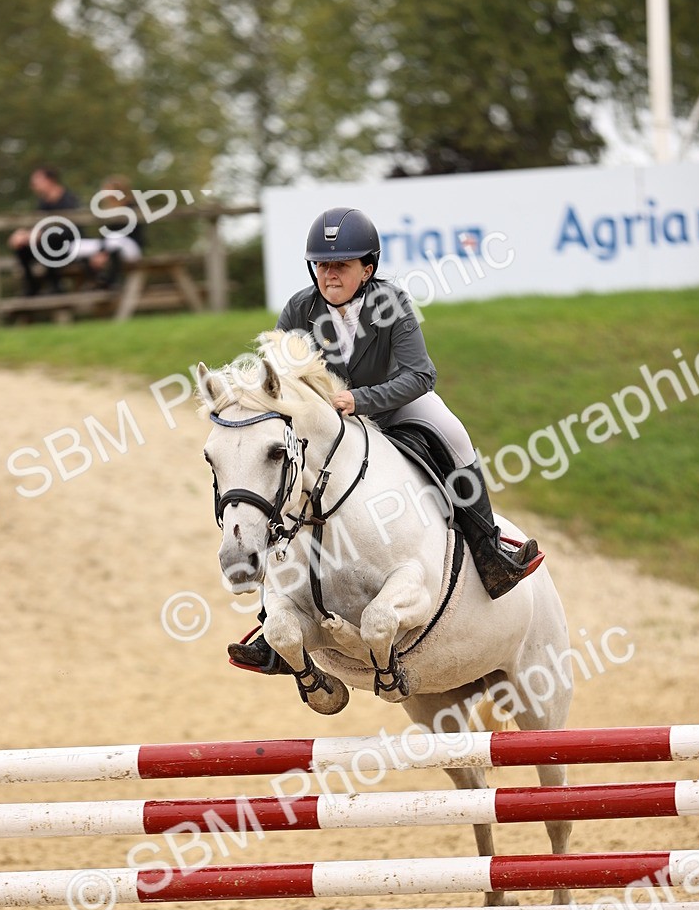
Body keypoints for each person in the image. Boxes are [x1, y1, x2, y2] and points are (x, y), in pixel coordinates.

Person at [229, 206, 543, 674]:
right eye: (321, 264)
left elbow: (421, 374)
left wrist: (361, 399)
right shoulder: (299, 308)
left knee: (454, 433)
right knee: (282, 477)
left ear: (367, 269)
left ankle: (490, 549)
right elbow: (280, 377)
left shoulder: (391, 302)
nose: (328, 274)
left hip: (394, 404)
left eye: (341, 265)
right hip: (329, 422)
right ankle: (270, 621)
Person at [8, 167, 80, 295]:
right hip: (47, 247)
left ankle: (56, 286)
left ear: (49, 181)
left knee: (49, 241)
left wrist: (38, 234)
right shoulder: (42, 203)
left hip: (69, 247)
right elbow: (38, 226)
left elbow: (70, 230)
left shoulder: (69, 200)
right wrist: (22, 235)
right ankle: (32, 287)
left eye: (36, 182)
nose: (33, 186)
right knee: (22, 248)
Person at [76, 176, 146, 288]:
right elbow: (105, 234)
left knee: (114, 240)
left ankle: (111, 282)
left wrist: (103, 251)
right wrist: (101, 250)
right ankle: (95, 281)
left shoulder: (132, 207)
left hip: (130, 247)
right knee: (81, 246)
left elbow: (125, 233)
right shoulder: (108, 209)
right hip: (111, 246)